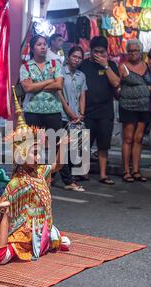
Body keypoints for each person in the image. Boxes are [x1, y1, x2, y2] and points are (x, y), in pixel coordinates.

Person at [0, 94, 70, 265]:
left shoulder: (40, 171)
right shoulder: (16, 182)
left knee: (65, 242)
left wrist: (63, 145)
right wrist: (3, 209)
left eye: (40, 152)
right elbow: (3, 204)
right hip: (23, 230)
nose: (40, 157)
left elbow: (57, 166)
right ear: (22, 155)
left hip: (40, 227)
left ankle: (47, 238)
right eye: (35, 153)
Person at [78, 36, 120, 185]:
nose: (99, 55)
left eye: (102, 52)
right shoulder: (83, 65)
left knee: (103, 145)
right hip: (87, 111)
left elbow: (116, 83)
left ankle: (103, 174)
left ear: (106, 51)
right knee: (85, 144)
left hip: (105, 111)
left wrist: (105, 65)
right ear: (91, 50)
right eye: (96, 52)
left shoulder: (111, 65)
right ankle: (84, 172)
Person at [118, 39, 151, 182]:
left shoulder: (147, 65)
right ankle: (126, 170)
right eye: (130, 51)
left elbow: (150, 84)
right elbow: (118, 85)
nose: (132, 53)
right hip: (128, 106)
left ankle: (136, 170)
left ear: (140, 52)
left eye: (135, 51)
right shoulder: (123, 66)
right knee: (128, 138)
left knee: (138, 139)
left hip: (144, 106)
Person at [57, 46, 87, 191]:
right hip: (63, 116)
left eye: (79, 57)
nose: (77, 59)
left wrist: (81, 113)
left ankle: (67, 177)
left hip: (76, 118)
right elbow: (60, 95)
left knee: (73, 148)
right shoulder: (60, 72)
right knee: (62, 148)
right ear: (68, 57)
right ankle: (68, 180)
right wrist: (70, 113)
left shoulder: (81, 75)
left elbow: (82, 95)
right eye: (74, 56)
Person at [20, 35, 64, 131]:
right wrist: (50, 81)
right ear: (32, 48)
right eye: (39, 44)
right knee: (35, 144)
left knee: (53, 144)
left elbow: (59, 85)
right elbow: (28, 88)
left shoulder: (55, 63)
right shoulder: (26, 67)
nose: (43, 47)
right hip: (32, 111)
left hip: (53, 110)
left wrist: (35, 85)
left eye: (44, 44)